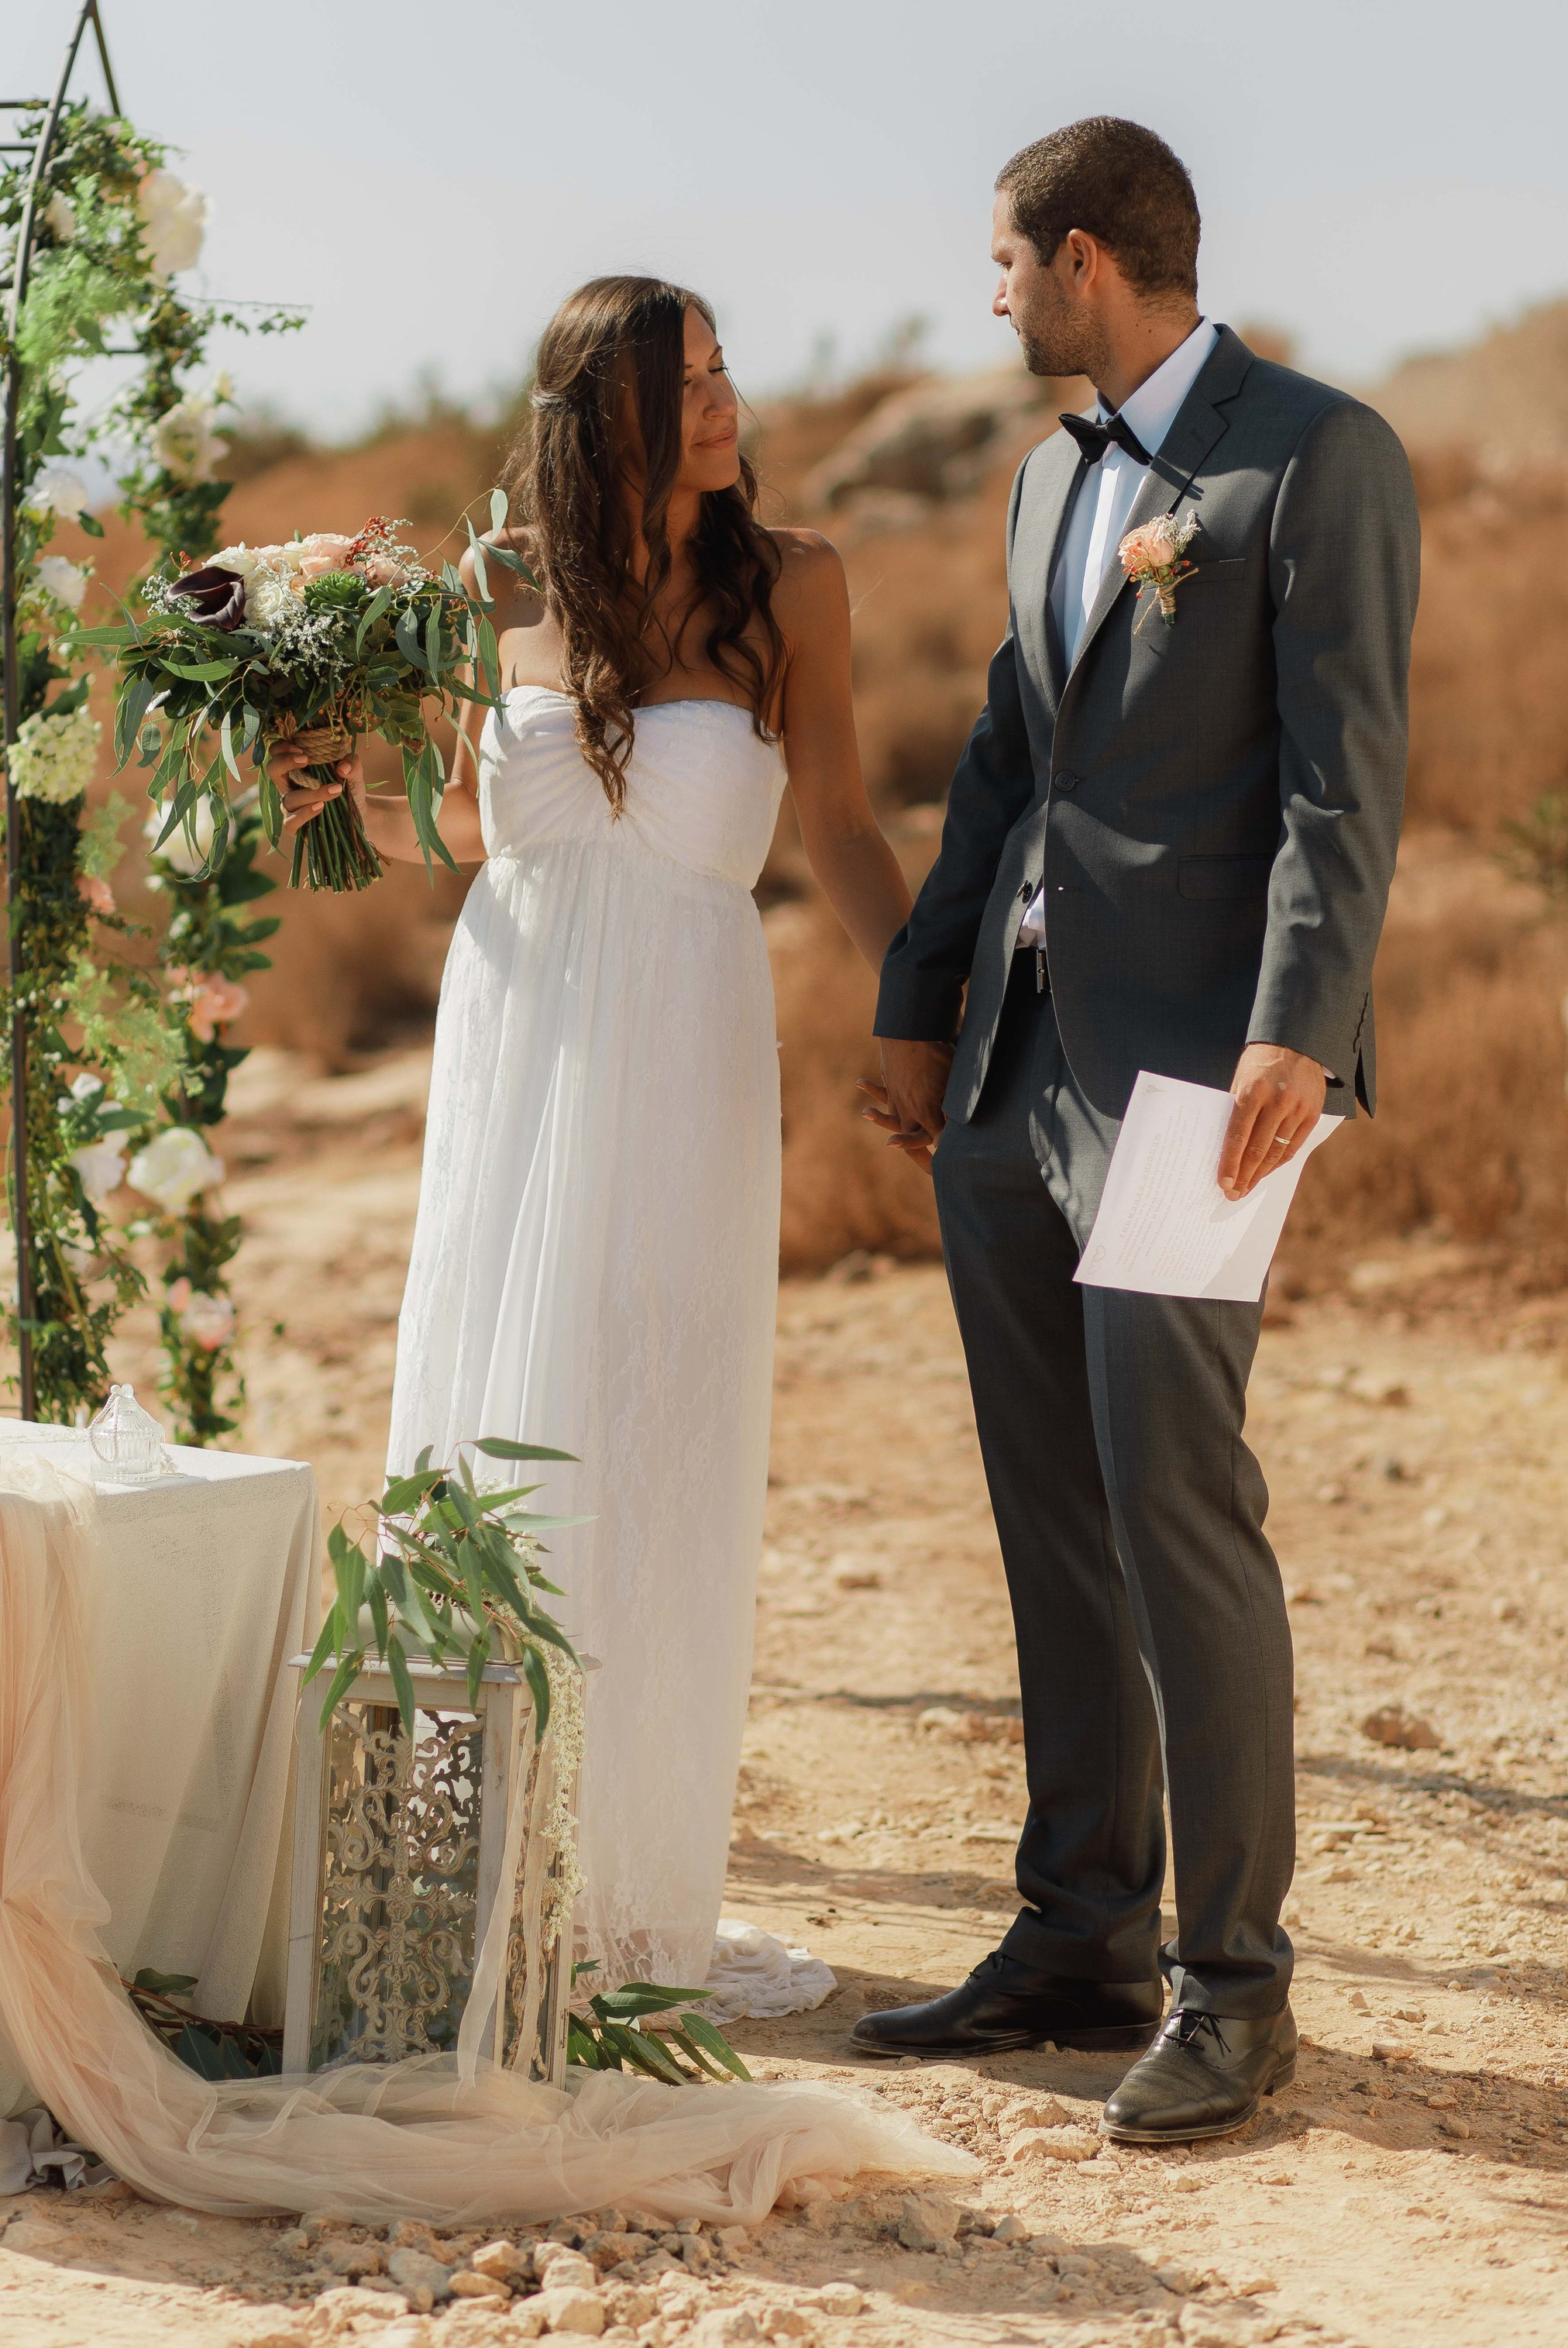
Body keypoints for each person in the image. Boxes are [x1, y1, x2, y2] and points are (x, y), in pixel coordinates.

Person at [853, 118, 1418, 2143]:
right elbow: (1005, 772)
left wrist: (1301, 1030)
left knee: (1177, 1497)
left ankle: (1237, 1987)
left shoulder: (1313, 457)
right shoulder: (1039, 484)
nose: (991, 294)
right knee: (1051, 1513)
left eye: (1006, 261)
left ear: (1087, 258)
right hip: (1017, 1080)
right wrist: (920, 1006)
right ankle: (1079, 1930)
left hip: (1204, 1086)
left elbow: (1349, 786)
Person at [273, 274, 912, 1998]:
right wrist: (348, 796)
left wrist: (918, 1010)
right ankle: (474, 1875)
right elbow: (473, 835)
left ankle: (626, 1886)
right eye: (681, 379)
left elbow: (841, 823)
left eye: (720, 371)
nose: (722, 402)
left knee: (655, 1419)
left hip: (689, 1051)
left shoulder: (794, 587)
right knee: (505, 1407)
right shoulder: (494, 590)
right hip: (519, 1043)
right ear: (595, 411)